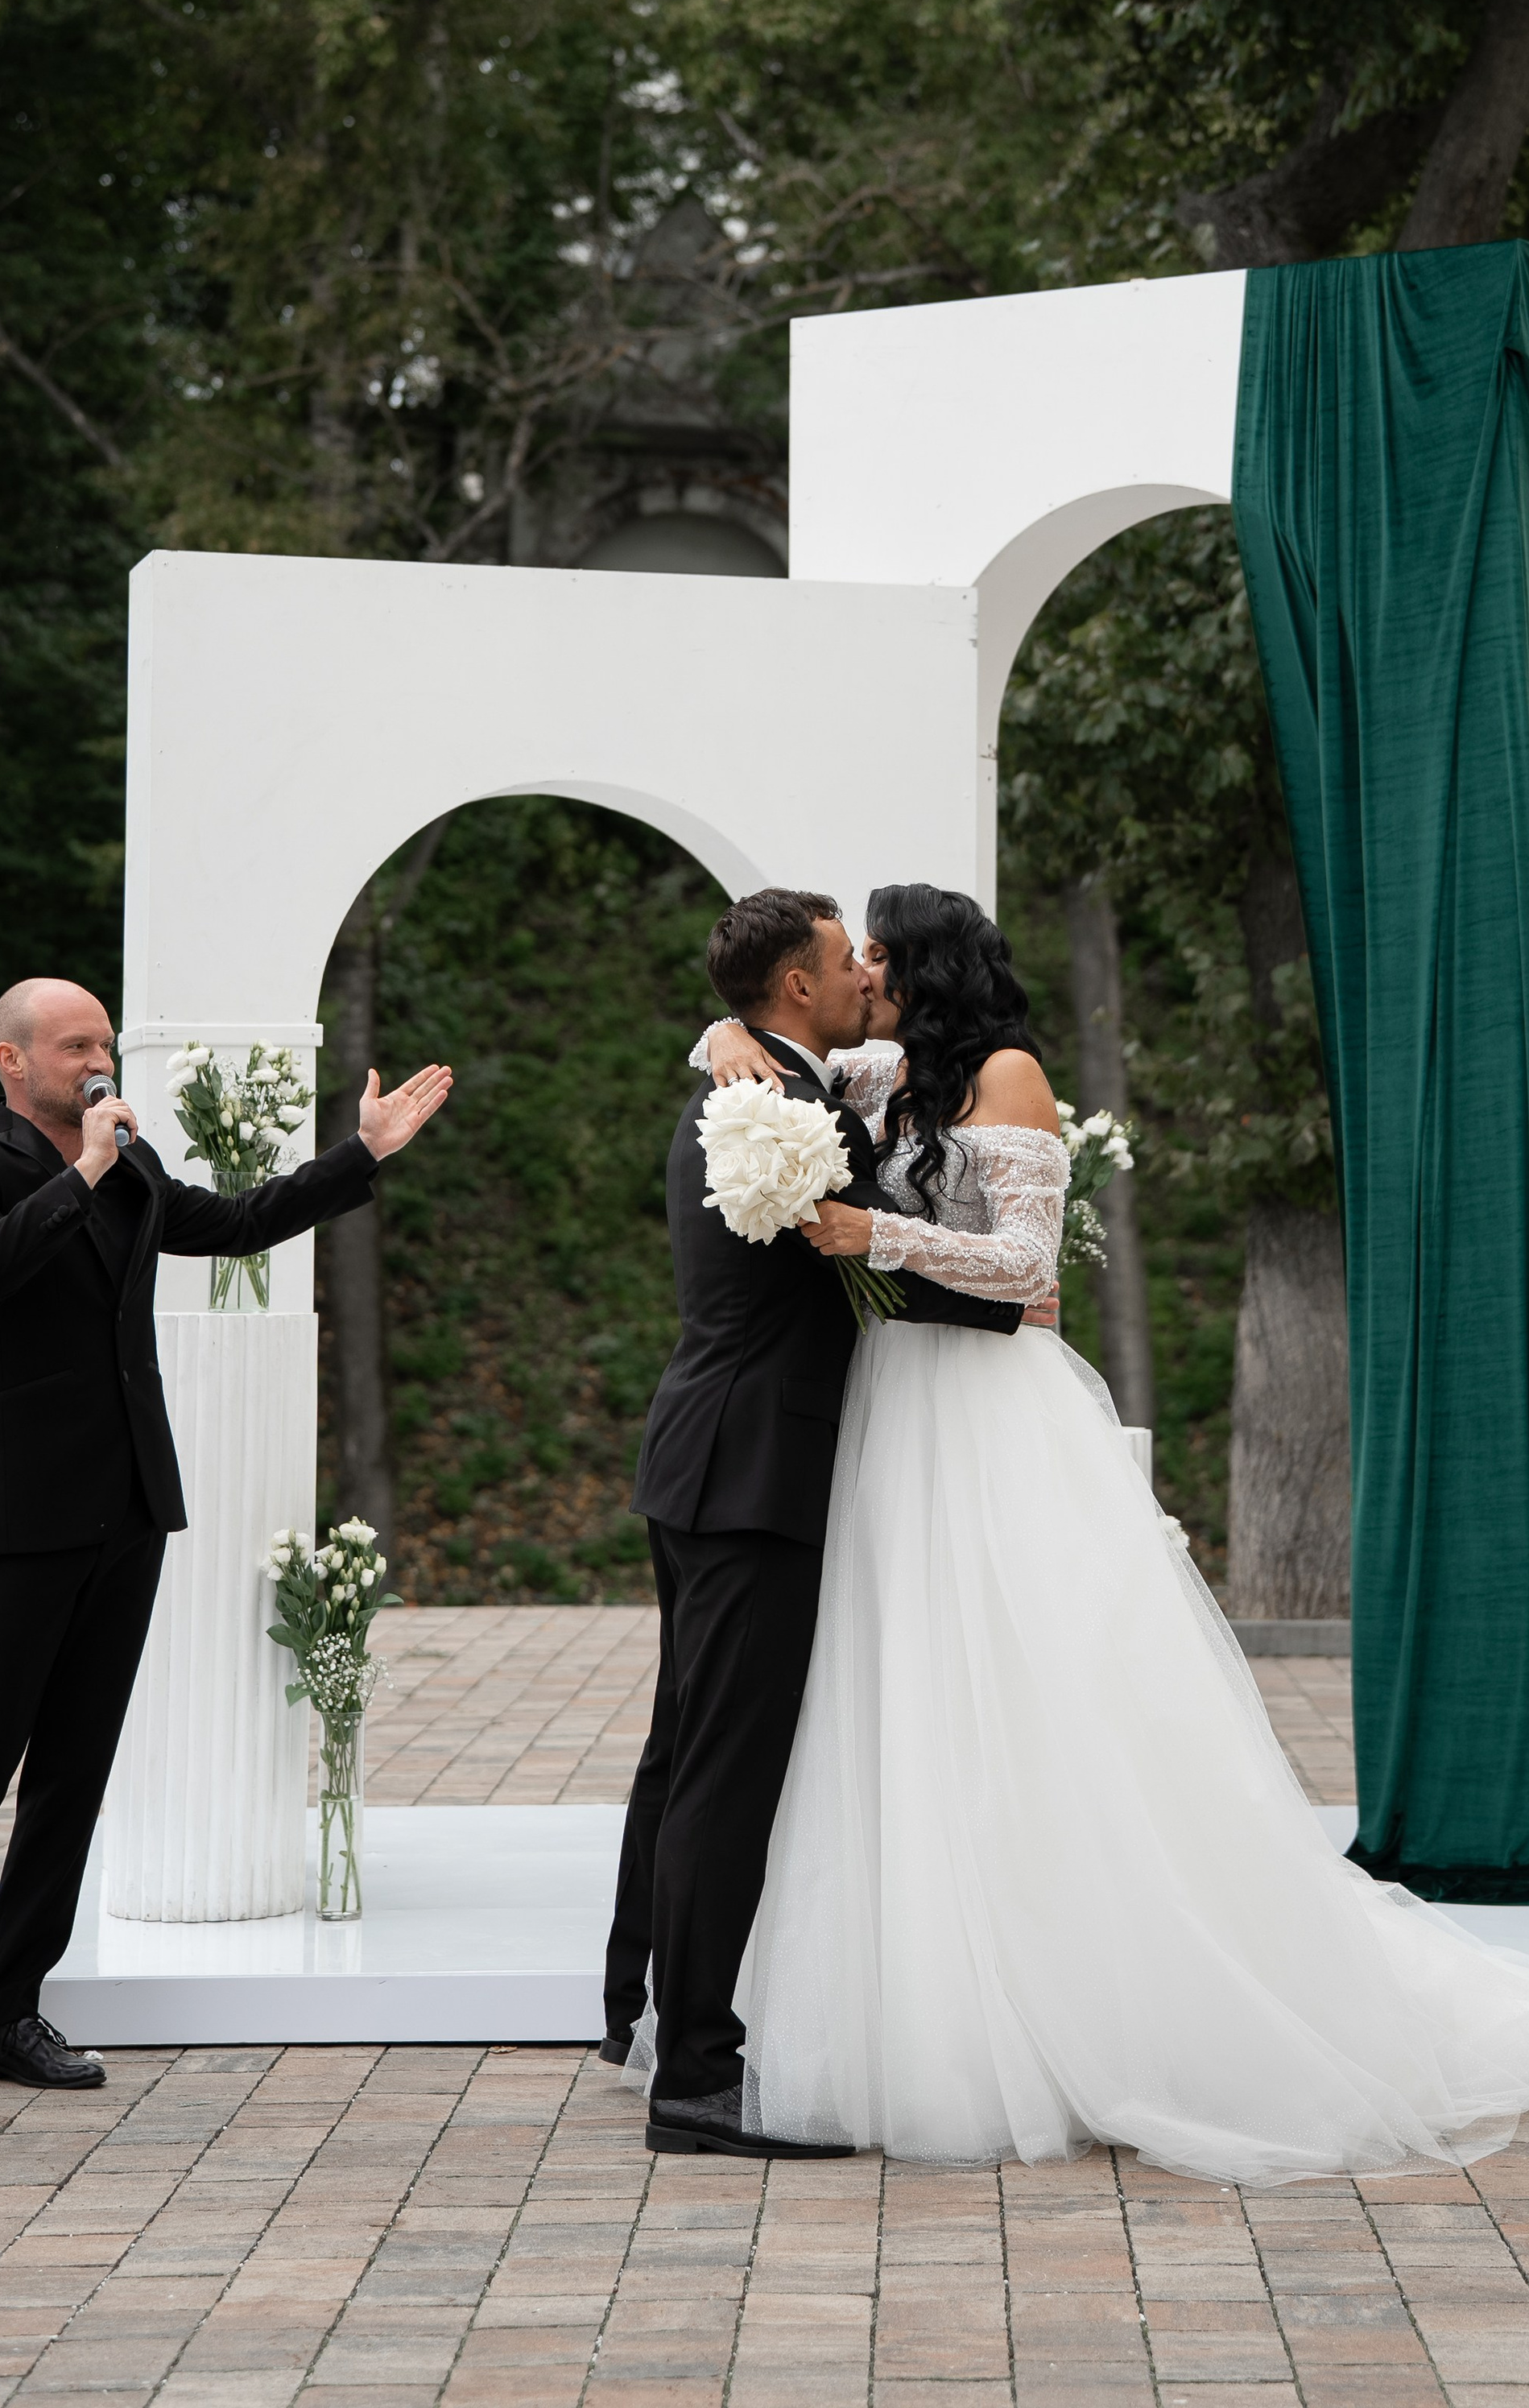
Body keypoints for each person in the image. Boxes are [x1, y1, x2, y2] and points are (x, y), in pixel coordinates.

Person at [682, 882, 1529, 2186]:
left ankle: (1092, 2009)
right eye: (851, 954)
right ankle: (926, 1998)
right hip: (899, 1419)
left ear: (928, 966)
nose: (863, 968)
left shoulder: (1010, 1072)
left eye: (880, 950)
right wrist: (719, 1043)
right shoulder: (888, 1070)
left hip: (991, 1421)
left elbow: (1027, 1263)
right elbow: (756, 1049)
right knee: (909, 1695)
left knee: (1044, 1696)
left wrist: (867, 1230)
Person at [0, 978, 452, 2109]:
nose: (99, 1059)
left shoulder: (129, 1163)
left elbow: (232, 1223)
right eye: (77, 1043)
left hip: (128, 1507)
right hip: (22, 1512)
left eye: (106, 1043)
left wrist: (357, 1155)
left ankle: (6, 2013)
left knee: (74, 1773)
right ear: (11, 1061)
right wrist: (80, 1167)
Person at [605, 888, 1034, 2160]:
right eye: (848, 959)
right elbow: (869, 1260)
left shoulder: (756, 1087)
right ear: (797, 987)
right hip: (757, 1475)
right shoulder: (788, 1114)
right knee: (724, 1779)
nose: (865, 973)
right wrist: (1009, 1309)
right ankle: (694, 2075)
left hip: (701, 1458)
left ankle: (632, 2012)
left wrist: (712, 1032)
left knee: (685, 1754)